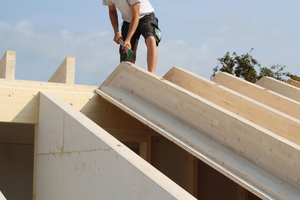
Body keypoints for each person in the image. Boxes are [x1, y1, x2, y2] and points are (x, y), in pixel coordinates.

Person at [103, 0, 161, 73]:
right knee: (125, 52)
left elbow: (135, 17)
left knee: (151, 40)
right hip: (128, 21)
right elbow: (112, 11)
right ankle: (127, 78)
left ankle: (151, 75)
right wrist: (116, 32)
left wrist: (128, 39)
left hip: (146, 17)